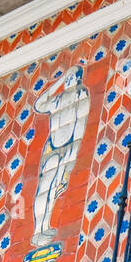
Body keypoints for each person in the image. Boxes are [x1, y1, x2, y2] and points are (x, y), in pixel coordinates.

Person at [31, 65, 90, 246]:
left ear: (78, 79)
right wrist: (57, 82)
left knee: (54, 189)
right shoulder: (56, 100)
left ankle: (44, 227)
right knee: (44, 189)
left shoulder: (81, 95)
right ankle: (37, 231)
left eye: (72, 76)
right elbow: (39, 105)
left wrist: (72, 155)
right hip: (52, 147)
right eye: (68, 77)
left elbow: (80, 126)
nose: (69, 79)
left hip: (67, 148)